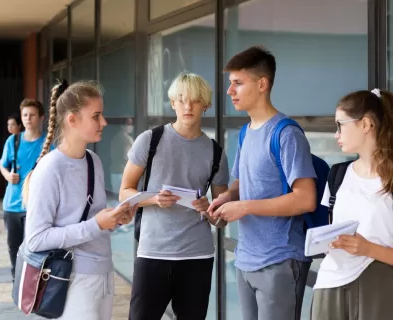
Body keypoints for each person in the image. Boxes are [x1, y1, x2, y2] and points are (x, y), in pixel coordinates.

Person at [208, 46, 317, 320]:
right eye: (230, 84)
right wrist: (226, 200)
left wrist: (244, 207)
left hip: (279, 260)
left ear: (262, 84)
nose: (230, 91)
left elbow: (305, 199)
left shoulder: (287, 134)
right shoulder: (245, 132)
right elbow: (241, 184)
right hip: (246, 259)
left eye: (238, 83)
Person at [23, 80, 136, 320]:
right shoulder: (50, 168)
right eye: (96, 116)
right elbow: (36, 239)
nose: (103, 122)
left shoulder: (93, 160)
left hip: (104, 272)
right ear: (72, 120)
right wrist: (97, 224)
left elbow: (90, 217)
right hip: (72, 281)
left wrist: (115, 218)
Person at [121, 73, 230, 320]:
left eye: (194, 100)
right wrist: (153, 199)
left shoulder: (215, 153)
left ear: (206, 105)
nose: (188, 106)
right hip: (153, 252)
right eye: (181, 100)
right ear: (172, 103)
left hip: (198, 257)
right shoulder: (149, 141)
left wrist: (208, 208)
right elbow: (124, 192)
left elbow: (222, 219)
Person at [311, 89, 393, 320]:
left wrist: (368, 249)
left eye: (340, 125)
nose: (336, 133)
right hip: (329, 283)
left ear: (365, 124)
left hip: (378, 287)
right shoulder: (337, 175)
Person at [0, 98, 47, 280]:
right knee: (14, 247)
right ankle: (16, 280)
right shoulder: (13, 141)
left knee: (35, 247)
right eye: (25, 115)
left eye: (32, 115)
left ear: (41, 118)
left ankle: (33, 283)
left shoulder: (48, 143)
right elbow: (2, 165)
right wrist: (7, 175)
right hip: (12, 203)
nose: (28, 118)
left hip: (36, 205)